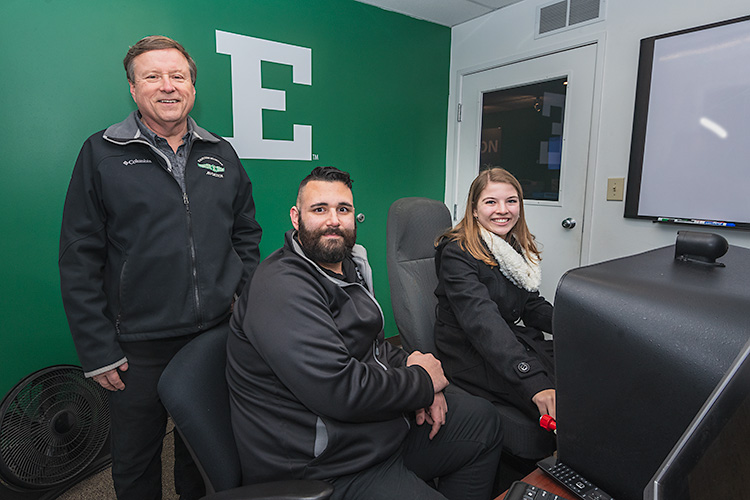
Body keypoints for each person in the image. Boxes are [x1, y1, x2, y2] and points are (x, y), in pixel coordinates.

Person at [59, 35, 262, 500]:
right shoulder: (101, 153)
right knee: (136, 459)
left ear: (192, 85)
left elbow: (246, 233)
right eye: (152, 76)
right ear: (133, 88)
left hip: (214, 333)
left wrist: (242, 300)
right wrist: (97, 348)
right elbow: (78, 254)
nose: (167, 86)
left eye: (178, 75)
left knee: (203, 450)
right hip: (136, 345)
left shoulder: (221, 153)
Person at [226, 166, 503, 500]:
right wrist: (423, 383)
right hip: (326, 468)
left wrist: (414, 368)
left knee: (483, 420)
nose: (333, 220)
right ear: (296, 218)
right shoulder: (282, 287)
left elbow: (374, 347)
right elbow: (340, 390)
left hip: (374, 435)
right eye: (319, 209)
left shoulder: (348, 266)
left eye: (342, 209)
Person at [434, 167, 556, 422]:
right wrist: (532, 378)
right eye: (491, 202)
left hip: (506, 341)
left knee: (582, 369)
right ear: (475, 210)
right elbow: (483, 321)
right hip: (470, 353)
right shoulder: (458, 252)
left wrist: (577, 327)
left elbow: (531, 304)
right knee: (554, 393)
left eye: (511, 201)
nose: (503, 210)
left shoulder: (510, 248)